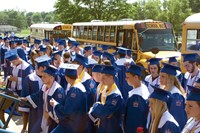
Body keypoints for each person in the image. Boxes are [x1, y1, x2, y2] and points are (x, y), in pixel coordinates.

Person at [21, 65, 65, 133]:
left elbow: (59, 108)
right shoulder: (44, 86)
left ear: (51, 78)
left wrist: (50, 115)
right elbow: (37, 96)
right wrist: (27, 98)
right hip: (42, 117)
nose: (42, 78)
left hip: (52, 121)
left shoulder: (58, 91)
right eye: (42, 76)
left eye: (45, 76)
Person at [50, 64, 87, 133]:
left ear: (66, 77)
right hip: (76, 122)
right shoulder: (79, 85)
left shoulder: (75, 89)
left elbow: (67, 111)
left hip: (72, 124)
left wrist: (55, 104)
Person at [20, 55, 50, 133]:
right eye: (43, 68)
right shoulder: (30, 78)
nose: (45, 70)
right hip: (34, 110)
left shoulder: (50, 78)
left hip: (47, 109)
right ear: (40, 68)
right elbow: (25, 94)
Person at [88, 65, 123, 133]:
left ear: (111, 78)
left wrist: (96, 107)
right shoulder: (104, 90)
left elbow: (103, 112)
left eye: (104, 78)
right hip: (102, 127)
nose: (101, 80)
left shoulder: (116, 95)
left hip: (112, 129)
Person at [160, 63, 187, 130]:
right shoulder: (166, 89)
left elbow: (178, 118)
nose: (160, 78)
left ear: (170, 78)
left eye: (163, 76)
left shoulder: (176, 95)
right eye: (160, 76)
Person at [124, 64, 150, 133]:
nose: (125, 79)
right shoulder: (143, 87)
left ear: (135, 77)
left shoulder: (137, 97)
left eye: (128, 77)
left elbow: (134, 120)